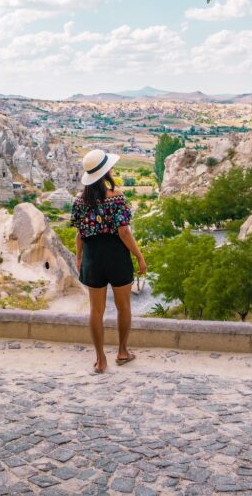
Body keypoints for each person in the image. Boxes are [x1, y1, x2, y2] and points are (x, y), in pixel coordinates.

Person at [70, 149, 147, 374]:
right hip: (116, 255)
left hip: (93, 257)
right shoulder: (117, 197)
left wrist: (79, 257)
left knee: (96, 310)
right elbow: (124, 232)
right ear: (105, 172)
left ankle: (100, 359)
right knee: (124, 307)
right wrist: (139, 256)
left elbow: (79, 234)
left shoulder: (79, 201)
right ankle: (122, 352)